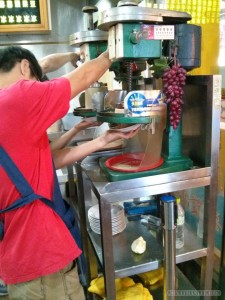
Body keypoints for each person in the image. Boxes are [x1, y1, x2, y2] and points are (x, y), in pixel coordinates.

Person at [0, 45, 138, 300]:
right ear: (25, 67)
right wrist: (116, 47)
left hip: (18, 256)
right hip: (43, 259)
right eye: (37, 81)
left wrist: (100, 141)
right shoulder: (17, 97)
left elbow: (43, 161)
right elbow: (84, 77)